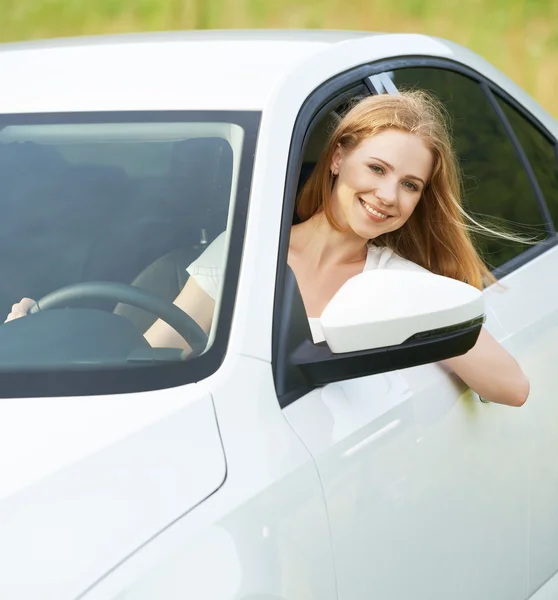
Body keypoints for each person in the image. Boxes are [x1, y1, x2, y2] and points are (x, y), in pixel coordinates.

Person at [6, 91, 529, 407]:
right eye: (377, 169)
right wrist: (54, 339)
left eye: (411, 185)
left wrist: (427, 321)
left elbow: (512, 387)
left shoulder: (395, 280)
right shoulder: (248, 251)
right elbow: (160, 346)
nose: (389, 196)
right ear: (337, 158)